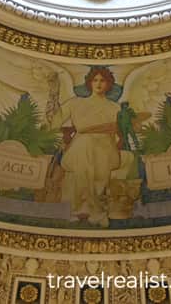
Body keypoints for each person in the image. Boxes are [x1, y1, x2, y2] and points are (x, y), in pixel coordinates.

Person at [49, 66, 127, 226]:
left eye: (103, 80)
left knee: (92, 150)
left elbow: (120, 134)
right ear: (89, 83)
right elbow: (54, 122)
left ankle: (88, 209)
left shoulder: (115, 107)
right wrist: (53, 94)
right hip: (80, 147)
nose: (98, 84)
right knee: (85, 146)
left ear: (109, 84)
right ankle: (89, 209)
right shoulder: (76, 103)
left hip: (106, 148)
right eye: (95, 80)